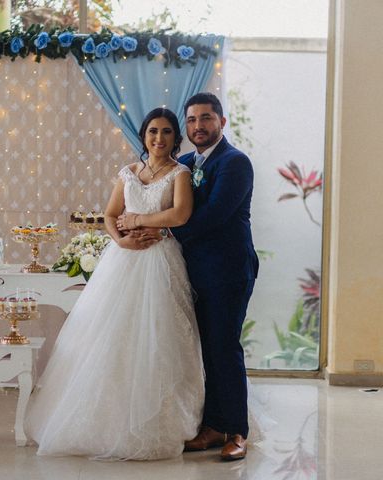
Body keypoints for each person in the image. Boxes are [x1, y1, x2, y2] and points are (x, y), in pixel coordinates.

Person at [24, 108, 205, 460]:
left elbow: (180, 214)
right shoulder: (128, 173)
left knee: (157, 336)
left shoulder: (180, 173)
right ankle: (102, 421)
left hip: (160, 259)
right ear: (143, 135)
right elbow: (109, 214)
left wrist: (139, 218)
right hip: (123, 261)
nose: (159, 138)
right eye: (153, 131)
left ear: (175, 138)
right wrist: (120, 240)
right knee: (110, 337)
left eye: (167, 132)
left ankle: (156, 422)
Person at [118, 92, 259, 461]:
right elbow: (165, 204)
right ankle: (212, 426)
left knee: (224, 347)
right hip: (186, 270)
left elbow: (211, 216)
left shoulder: (235, 163)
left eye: (207, 118)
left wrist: (159, 230)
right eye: (193, 120)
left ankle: (237, 431)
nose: (200, 126)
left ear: (221, 122)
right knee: (200, 350)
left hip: (226, 269)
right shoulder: (182, 163)